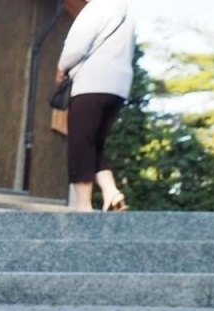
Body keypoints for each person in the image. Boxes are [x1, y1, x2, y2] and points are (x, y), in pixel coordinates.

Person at [56, 0, 134, 211]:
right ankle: (111, 192)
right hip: (118, 87)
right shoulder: (125, 13)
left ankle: (83, 205)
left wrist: (61, 67)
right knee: (94, 143)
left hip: (91, 83)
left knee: (80, 143)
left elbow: (76, 47)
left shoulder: (96, 8)